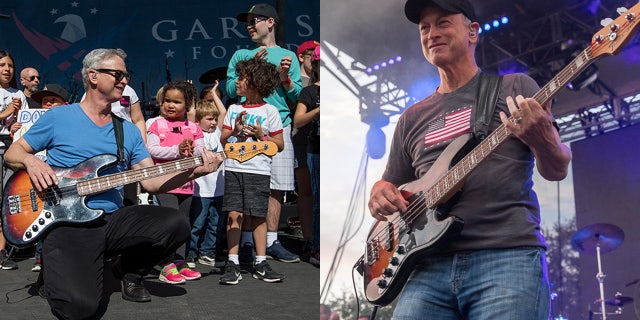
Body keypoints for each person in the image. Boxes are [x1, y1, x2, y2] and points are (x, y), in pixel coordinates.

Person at [367, 1, 572, 319]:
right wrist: (379, 193)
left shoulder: (515, 88)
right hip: (425, 268)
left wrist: (543, 139)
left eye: (443, 23)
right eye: (425, 28)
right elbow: (390, 184)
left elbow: (557, 167)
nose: (432, 33)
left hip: (505, 257)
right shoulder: (411, 117)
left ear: (473, 31)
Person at [3, 48, 222, 319]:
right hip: (65, 222)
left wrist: (196, 171)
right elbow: (13, 154)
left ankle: (128, 272)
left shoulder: (127, 130)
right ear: (93, 76)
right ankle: (54, 272)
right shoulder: (60, 117)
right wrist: (32, 162)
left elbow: (152, 182)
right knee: (79, 308)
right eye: (117, 74)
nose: (124, 80)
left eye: (126, 75)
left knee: (176, 223)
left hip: (111, 220)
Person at [227, 2, 302, 264]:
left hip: (278, 123)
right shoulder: (240, 56)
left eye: (254, 20)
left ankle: (271, 241)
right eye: (247, 22)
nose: (249, 26)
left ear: (270, 22)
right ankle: (247, 242)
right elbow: (229, 90)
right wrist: (249, 66)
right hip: (247, 125)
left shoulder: (288, 57)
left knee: (276, 187)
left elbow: (296, 96)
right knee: (247, 184)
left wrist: (285, 79)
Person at [219, 57, 285, 285]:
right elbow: (223, 139)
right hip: (234, 167)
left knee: (258, 215)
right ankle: (233, 261)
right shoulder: (233, 108)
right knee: (234, 214)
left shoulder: (270, 111)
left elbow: (279, 144)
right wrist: (234, 130)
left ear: (255, 82)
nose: (236, 82)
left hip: (258, 170)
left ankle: (260, 262)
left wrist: (260, 135)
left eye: (241, 78)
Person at [146, 81, 205, 284]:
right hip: (164, 182)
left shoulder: (194, 127)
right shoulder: (156, 124)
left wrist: (191, 150)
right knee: (169, 222)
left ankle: (180, 261)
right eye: (167, 101)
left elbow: (200, 151)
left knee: (183, 223)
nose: (170, 105)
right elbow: (151, 149)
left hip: (187, 183)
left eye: (177, 102)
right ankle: (166, 264)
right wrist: (176, 151)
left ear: (187, 105)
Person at [12, 83, 69, 272]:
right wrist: (16, 131)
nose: (48, 104)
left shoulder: (71, 124)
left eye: (54, 100)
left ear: (66, 104)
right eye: (45, 101)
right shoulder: (34, 125)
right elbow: (17, 151)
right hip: (35, 177)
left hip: (63, 179)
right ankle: (39, 257)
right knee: (42, 214)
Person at [186, 81, 227, 269]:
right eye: (209, 119)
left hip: (218, 189)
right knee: (197, 224)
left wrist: (214, 93)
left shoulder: (218, 133)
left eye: (214, 119)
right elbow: (191, 114)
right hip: (200, 191)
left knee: (215, 224)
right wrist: (192, 95)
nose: (213, 122)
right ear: (199, 120)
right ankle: (191, 253)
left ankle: (207, 252)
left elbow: (223, 113)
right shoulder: (195, 133)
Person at [0, 50, 27, 271]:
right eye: (2, 65)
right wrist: (5, 113)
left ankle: (3, 251)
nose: (7, 69)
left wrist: (17, 129)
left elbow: (26, 121)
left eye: (10, 65)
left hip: (10, 150)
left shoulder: (19, 93)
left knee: (6, 198)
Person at [293, 45, 320, 267]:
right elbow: (298, 119)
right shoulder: (308, 90)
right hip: (313, 148)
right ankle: (314, 244)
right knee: (313, 195)